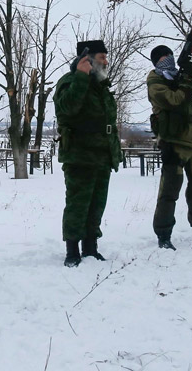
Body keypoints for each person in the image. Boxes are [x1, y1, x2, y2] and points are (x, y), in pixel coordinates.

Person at [53, 40, 121, 267]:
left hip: (102, 153)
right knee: (78, 203)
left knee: (97, 203)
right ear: (87, 58)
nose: (106, 61)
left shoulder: (101, 85)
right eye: (102, 57)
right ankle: (72, 249)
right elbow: (67, 110)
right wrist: (81, 77)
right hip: (80, 154)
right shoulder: (70, 81)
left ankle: (90, 247)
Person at [148, 43, 192, 249]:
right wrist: (186, 77)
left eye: (170, 55)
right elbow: (175, 100)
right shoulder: (156, 83)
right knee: (169, 191)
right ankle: (163, 234)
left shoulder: (179, 78)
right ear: (156, 62)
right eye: (163, 58)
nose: (168, 60)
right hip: (173, 143)